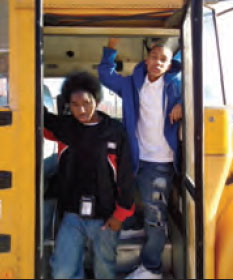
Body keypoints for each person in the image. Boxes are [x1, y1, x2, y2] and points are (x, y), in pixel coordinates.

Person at [98, 38, 182, 279]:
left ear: (168, 65)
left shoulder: (176, 86)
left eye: (164, 60)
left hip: (160, 162)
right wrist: (111, 48)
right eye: (154, 57)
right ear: (147, 60)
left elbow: (198, 94)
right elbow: (105, 75)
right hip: (135, 157)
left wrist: (184, 105)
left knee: (156, 217)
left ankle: (152, 268)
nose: (158, 62)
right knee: (124, 195)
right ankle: (134, 226)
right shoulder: (133, 84)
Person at [44, 71, 135, 279]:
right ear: (68, 104)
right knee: (62, 271)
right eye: (74, 104)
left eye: (86, 102)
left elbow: (126, 175)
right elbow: (39, 118)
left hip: (106, 216)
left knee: (104, 270)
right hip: (72, 214)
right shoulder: (65, 127)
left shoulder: (115, 131)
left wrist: (120, 215)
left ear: (96, 100)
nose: (81, 109)